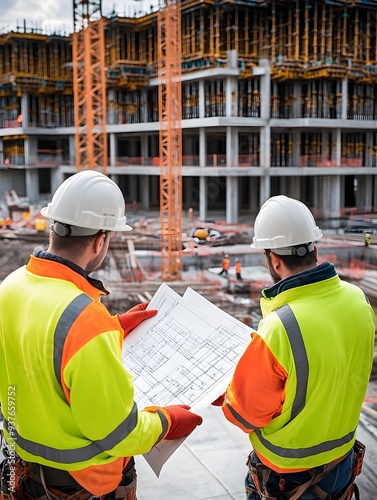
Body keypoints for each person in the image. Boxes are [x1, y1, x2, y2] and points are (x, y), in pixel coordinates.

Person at [0, 170, 202, 500]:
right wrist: (166, 422)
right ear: (100, 240)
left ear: (53, 228)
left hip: (21, 472)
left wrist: (115, 327)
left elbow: (40, 348)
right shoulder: (85, 319)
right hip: (81, 485)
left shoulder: (11, 286)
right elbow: (117, 433)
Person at [217, 195, 375, 499]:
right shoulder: (358, 300)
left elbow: (244, 415)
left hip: (287, 480)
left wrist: (229, 392)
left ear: (274, 259)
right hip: (341, 466)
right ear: (315, 247)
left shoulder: (280, 327)